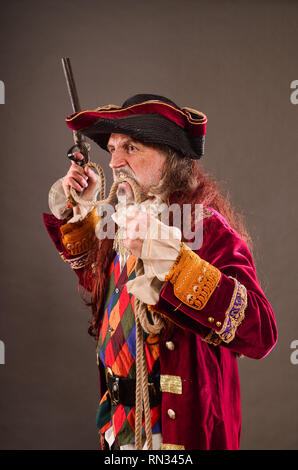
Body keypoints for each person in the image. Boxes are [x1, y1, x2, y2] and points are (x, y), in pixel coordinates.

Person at [43, 94, 277, 450]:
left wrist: (174, 262)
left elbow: (260, 333)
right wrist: (84, 208)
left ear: (170, 158)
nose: (116, 162)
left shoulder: (205, 228)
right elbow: (98, 287)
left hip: (175, 434)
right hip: (119, 431)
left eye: (131, 148)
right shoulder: (119, 221)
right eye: (112, 149)